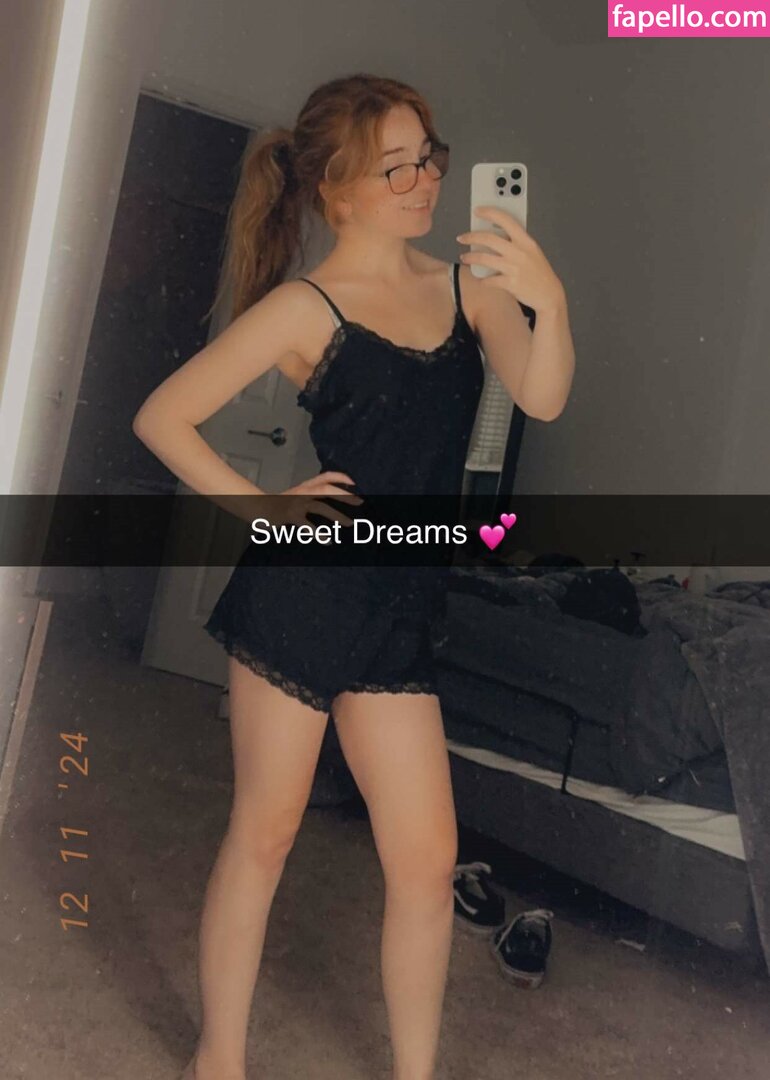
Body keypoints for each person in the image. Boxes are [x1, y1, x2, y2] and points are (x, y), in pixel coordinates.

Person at [132, 72, 572, 1080]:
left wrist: (545, 298)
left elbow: (542, 397)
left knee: (426, 861)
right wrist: (264, 509)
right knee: (266, 834)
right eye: (394, 167)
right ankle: (218, 1060)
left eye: (428, 158)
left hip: (398, 609)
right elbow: (163, 417)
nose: (424, 181)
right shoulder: (304, 307)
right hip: (302, 597)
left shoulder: (469, 289)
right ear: (334, 188)